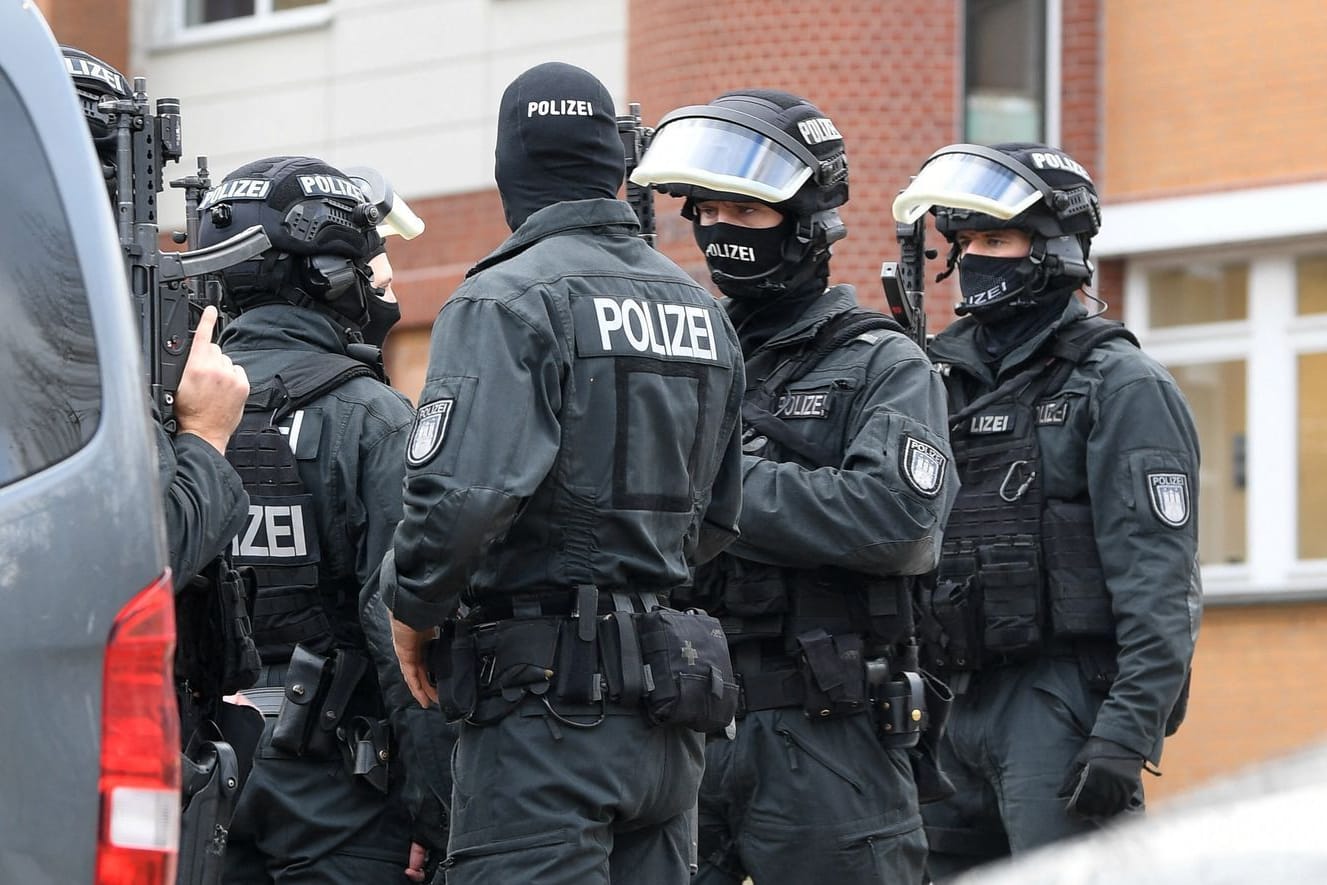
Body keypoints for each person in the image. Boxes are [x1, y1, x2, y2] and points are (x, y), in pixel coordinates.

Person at [385, 62, 746, 885]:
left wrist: (413, 609)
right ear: (615, 171)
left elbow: (461, 499)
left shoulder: (505, 299)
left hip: (544, 717)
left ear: (510, 170)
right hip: (666, 710)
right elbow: (720, 514)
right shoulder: (701, 312)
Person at [629, 89, 959, 885]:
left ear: (809, 222)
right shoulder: (684, 354)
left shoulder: (883, 363)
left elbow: (896, 521)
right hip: (683, 725)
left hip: (826, 737)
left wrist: (711, 487)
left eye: (746, 214)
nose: (718, 234)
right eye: (706, 213)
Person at [891, 142, 1202, 877]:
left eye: (995, 240)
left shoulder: (1119, 386)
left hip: (1057, 703)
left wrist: (1126, 732)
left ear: (1054, 249)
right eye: (964, 242)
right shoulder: (933, 380)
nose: (973, 259)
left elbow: (1160, 583)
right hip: (946, 707)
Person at [195, 155, 448, 883]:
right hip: (341, 787)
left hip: (193, 766)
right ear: (326, 272)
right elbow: (403, 629)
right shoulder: (371, 418)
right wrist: (433, 807)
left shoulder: (161, 413)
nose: (386, 284)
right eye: (372, 263)